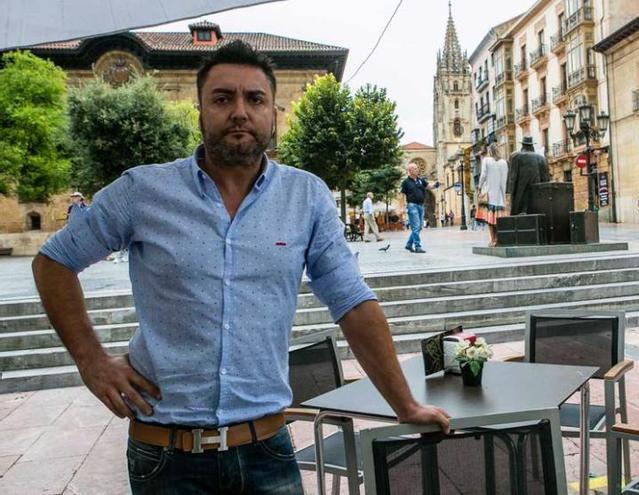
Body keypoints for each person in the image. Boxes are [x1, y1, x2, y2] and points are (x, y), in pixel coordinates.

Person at [31, 41, 449, 495]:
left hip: (266, 452)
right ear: (200, 111)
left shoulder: (305, 197)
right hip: (165, 457)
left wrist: (404, 405)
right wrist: (90, 360)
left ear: (272, 113)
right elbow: (54, 261)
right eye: (222, 98)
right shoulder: (142, 191)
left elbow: (351, 301)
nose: (239, 111)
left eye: (255, 99)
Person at [400, 163, 438, 253]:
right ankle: (417, 246)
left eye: (417, 168)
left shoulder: (420, 180)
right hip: (412, 205)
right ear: (410, 170)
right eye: (415, 169)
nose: (417, 170)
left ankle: (409, 244)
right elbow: (402, 194)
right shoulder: (406, 182)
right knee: (416, 226)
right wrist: (402, 207)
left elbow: (429, 187)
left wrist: (435, 185)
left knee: (419, 227)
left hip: (421, 206)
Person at [507, 136, 550, 215]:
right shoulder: (541, 158)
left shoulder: (515, 156)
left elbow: (512, 178)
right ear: (532, 145)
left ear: (523, 145)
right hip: (538, 202)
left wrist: (510, 194)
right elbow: (546, 181)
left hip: (520, 201)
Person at [477, 143, 509, 246]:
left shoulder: (486, 160)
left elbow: (483, 175)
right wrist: (504, 195)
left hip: (489, 193)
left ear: (489, 151)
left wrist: (479, 187)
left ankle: (492, 240)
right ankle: (498, 239)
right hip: (499, 195)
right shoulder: (504, 163)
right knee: (499, 220)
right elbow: (504, 180)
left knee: (490, 220)